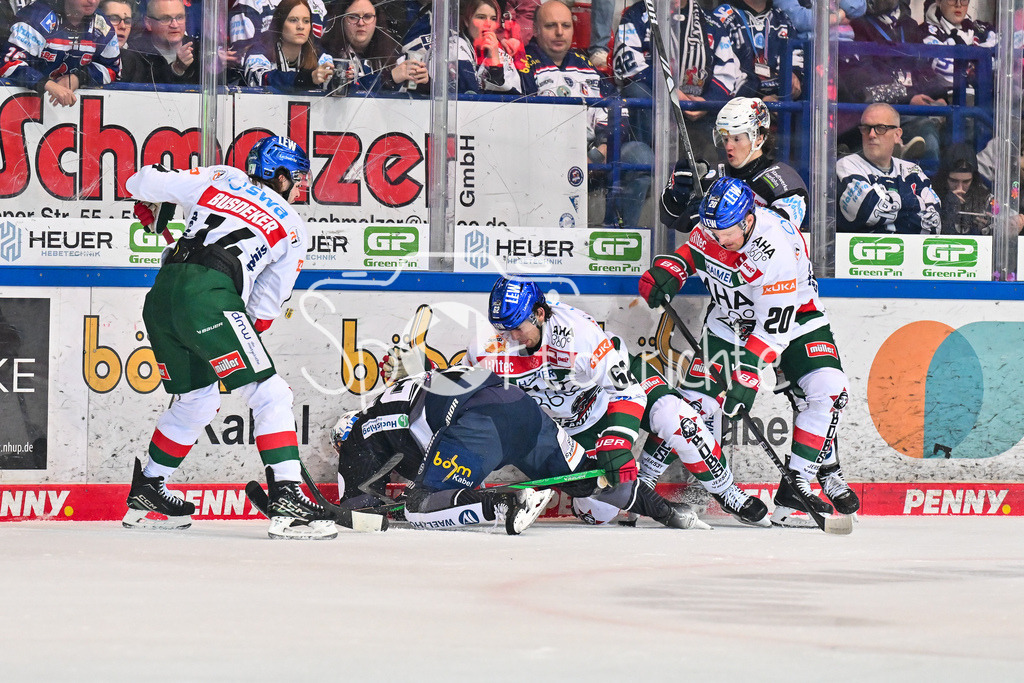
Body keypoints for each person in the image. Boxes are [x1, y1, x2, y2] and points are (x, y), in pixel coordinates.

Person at [122, 136, 336, 540]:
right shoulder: (291, 224)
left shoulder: (221, 176)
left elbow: (140, 181)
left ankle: (148, 490)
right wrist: (235, 335)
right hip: (209, 299)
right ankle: (288, 499)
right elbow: (264, 310)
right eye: (300, 177)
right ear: (282, 176)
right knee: (271, 395)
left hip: (162, 295)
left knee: (197, 399)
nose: (303, 186)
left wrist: (161, 207)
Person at [639, 176, 860, 527]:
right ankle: (643, 481)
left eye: (727, 234)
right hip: (729, 325)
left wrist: (747, 374)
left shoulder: (777, 249)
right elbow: (693, 252)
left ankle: (795, 491)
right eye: (713, 233)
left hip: (795, 321)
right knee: (692, 406)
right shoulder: (713, 228)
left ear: (748, 219)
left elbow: (771, 330)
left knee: (829, 391)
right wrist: (672, 270)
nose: (719, 241)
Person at [462, 276, 766, 527]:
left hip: (614, 388)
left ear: (539, 314)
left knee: (678, 418)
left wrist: (618, 441)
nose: (511, 337)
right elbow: (469, 403)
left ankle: (727, 491)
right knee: (595, 514)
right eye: (503, 329)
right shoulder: (487, 349)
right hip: (572, 427)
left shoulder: (577, 335)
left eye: (518, 328)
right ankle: (643, 480)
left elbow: (627, 391)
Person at [330, 365, 576, 534]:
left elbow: (359, 510)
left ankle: (507, 500)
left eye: (341, 447)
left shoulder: (364, 427)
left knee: (417, 507)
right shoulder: (397, 414)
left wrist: (366, 505)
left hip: (482, 419)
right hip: (520, 404)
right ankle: (610, 479)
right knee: (591, 480)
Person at [521, 0, 652, 228]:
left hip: (594, 157)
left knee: (640, 156)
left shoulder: (584, 63)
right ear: (535, 29)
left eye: (565, 25)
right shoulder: (524, 64)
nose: (560, 32)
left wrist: (600, 151)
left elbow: (616, 111)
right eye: (551, 25)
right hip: (547, 159)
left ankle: (618, 231)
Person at [612, 0, 750, 157]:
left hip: (696, 110)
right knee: (637, 91)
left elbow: (728, 72)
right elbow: (627, 64)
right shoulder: (637, 14)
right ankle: (646, 166)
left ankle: (705, 174)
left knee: (722, 114)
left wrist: (705, 103)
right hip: (655, 101)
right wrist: (672, 92)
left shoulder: (711, 22)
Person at [661, 96, 809, 233]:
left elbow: (780, 235)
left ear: (759, 138)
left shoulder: (786, 183)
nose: (728, 146)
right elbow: (670, 220)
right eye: (725, 139)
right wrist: (676, 196)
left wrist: (718, 220)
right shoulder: (710, 174)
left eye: (736, 139)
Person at [840, 0, 947, 167]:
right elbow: (862, 83)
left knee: (960, 125)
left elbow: (924, 68)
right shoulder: (856, 25)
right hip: (871, 114)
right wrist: (909, 99)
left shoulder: (910, 25)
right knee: (927, 135)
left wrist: (939, 97)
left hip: (912, 111)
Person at [836, 102, 941, 234]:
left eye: (880, 128)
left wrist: (886, 206)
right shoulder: (847, 165)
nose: (872, 134)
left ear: (897, 135)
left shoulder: (913, 170)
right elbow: (868, 209)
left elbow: (934, 224)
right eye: (866, 128)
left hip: (909, 253)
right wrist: (917, 207)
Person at [0, 0, 121, 106]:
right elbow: (7, 63)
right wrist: (47, 85)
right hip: (21, 105)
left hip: (65, 112)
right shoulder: (37, 17)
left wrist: (79, 78)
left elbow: (113, 69)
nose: (93, 1)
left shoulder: (103, 26)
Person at [710, 0, 804, 102]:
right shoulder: (722, 17)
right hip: (738, 108)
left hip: (779, 104)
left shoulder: (782, 18)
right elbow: (725, 74)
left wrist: (794, 74)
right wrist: (758, 100)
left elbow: (795, 56)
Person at [322, 0, 419, 93]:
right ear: (341, 20)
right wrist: (390, 79)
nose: (361, 23)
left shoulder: (395, 56)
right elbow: (356, 95)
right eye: (353, 17)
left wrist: (421, 84)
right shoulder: (326, 56)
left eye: (367, 17)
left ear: (377, 20)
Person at [243, 0, 335, 91]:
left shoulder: (319, 56)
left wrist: (345, 77)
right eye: (293, 20)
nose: (300, 26)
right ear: (280, 24)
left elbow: (334, 85)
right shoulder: (258, 54)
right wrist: (308, 78)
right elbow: (264, 80)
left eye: (306, 21)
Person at [921, 0, 997, 105]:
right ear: (938, 1)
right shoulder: (923, 32)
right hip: (947, 104)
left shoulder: (982, 29)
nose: (959, 4)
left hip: (984, 103)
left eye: (964, 0)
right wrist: (982, 60)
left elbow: (1006, 58)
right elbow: (948, 71)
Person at [933, 142, 999, 236]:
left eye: (966, 182)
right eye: (953, 181)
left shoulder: (987, 200)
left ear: (973, 179)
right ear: (944, 178)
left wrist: (987, 229)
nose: (960, 188)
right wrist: (947, 211)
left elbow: (1001, 231)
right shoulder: (931, 197)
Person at [124, 0, 198, 84]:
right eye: (166, 19)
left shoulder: (200, 50)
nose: (175, 25)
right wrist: (176, 69)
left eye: (180, 17)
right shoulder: (134, 52)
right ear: (148, 23)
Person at [229, 0, 327, 60]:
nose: (301, 26)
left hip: (309, 86)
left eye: (306, 21)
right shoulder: (249, 2)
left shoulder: (318, 5)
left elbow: (321, 51)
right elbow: (242, 56)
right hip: (262, 87)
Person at [99, 0, 147, 82]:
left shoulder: (137, 63)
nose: (123, 26)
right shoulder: (81, 55)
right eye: (114, 19)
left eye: (128, 21)